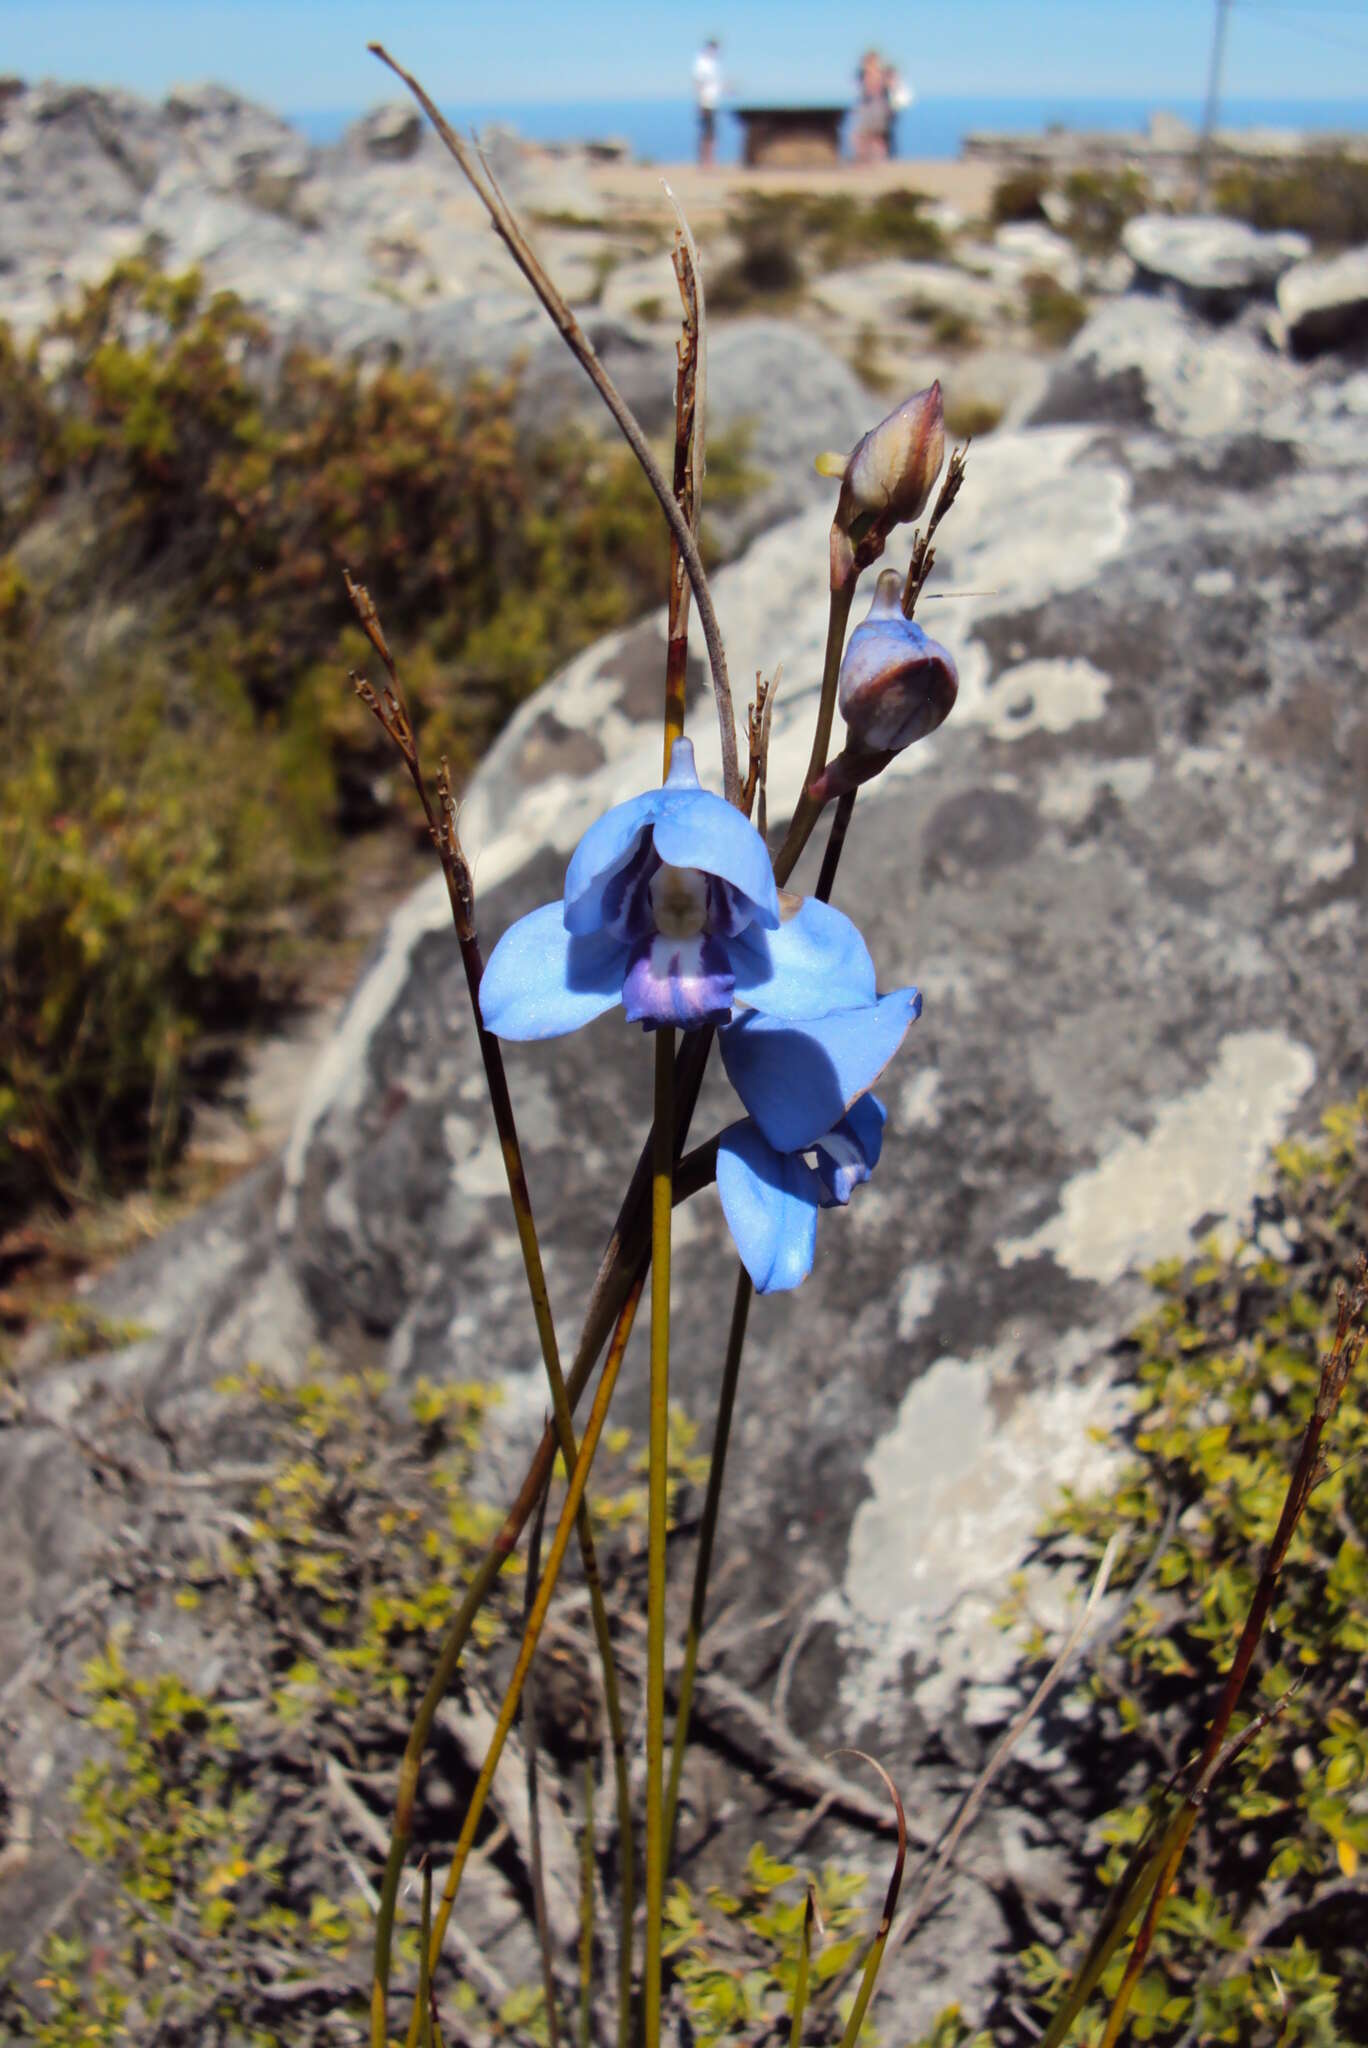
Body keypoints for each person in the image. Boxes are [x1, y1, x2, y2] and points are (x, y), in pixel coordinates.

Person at [852, 49, 890, 164]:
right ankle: (866, 160)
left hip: (874, 108)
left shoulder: (876, 74)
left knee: (874, 137)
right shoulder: (868, 74)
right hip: (870, 107)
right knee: (865, 136)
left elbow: (873, 89)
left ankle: (875, 160)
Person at [693, 37, 722, 167]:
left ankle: (709, 161)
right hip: (705, 102)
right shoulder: (702, 63)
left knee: (711, 133)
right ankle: (705, 162)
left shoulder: (712, 64)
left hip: (712, 102)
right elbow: (698, 83)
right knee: (707, 133)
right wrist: (700, 101)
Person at [884, 61, 913, 160]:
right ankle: (889, 155)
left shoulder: (896, 85)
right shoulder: (890, 85)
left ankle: (891, 155)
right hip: (887, 112)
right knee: (887, 135)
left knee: (889, 134)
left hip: (891, 112)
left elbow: (900, 100)